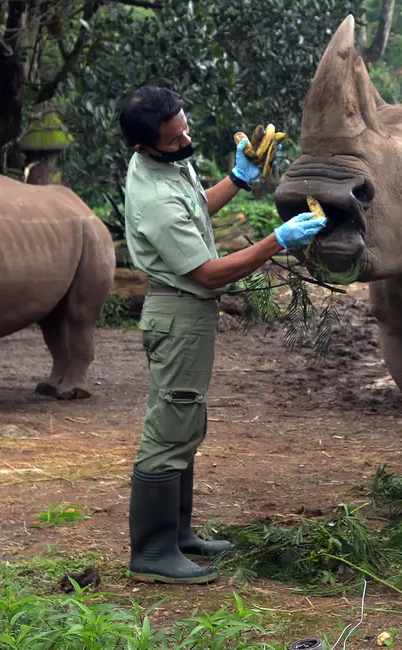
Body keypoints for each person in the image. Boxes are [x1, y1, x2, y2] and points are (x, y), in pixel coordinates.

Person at [119, 86, 326, 584]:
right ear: (144, 146)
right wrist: (276, 241)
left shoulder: (168, 167)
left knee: (185, 420)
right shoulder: (153, 199)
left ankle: (178, 535)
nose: (186, 140)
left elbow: (194, 212)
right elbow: (209, 273)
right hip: (180, 311)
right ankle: (151, 552)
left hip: (187, 314)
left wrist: (236, 179)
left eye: (184, 127)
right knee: (170, 425)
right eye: (174, 139)